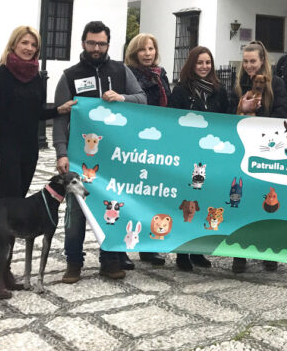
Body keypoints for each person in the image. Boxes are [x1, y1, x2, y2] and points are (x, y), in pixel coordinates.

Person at [0, 25, 76, 299]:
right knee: (6, 214)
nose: (29, 48)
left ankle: (5, 273)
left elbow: (33, 113)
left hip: (27, 152)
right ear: (14, 45)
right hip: (4, 153)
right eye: (24, 43)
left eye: (34, 45)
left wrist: (59, 110)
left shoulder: (35, 77)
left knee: (15, 212)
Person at [53, 21, 147, 283]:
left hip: (114, 157)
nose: (96, 48)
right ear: (83, 43)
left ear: (108, 44)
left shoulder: (120, 70)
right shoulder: (69, 75)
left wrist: (122, 98)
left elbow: (142, 98)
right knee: (76, 212)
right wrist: (61, 153)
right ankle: (73, 262)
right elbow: (60, 118)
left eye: (101, 43)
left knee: (112, 208)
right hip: (79, 157)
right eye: (92, 43)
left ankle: (110, 260)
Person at [228, 41, 287, 273]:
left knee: (269, 201)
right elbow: (227, 115)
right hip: (243, 148)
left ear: (262, 61)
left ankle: (268, 249)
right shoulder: (238, 85)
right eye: (245, 61)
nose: (249, 65)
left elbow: (284, 113)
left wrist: (260, 115)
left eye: (253, 61)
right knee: (242, 199)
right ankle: (239, 253)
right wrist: (241, 109)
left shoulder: (277, 84)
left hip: (268, 150)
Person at [168, 45, 227, 272]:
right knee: (187, 203)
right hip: (187, 154)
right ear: (192, 65)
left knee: (205, 201)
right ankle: (183, 252)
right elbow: (172, 119)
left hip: (210, 155)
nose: (204, 67)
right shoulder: (181, 90)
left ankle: (199, 249)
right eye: (200, 63)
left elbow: (226, 118)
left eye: (208, 63)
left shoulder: (218, 91)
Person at [124, 33, 172, 268]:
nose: (147, 53)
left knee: (154, 196)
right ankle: (122, 247)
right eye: (142, 49)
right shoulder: (127, 74)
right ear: (134, 52)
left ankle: (148, 247)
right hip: (137, 141)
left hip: (159, 143)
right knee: (132, 195)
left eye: (151, 49)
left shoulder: (160, 74)